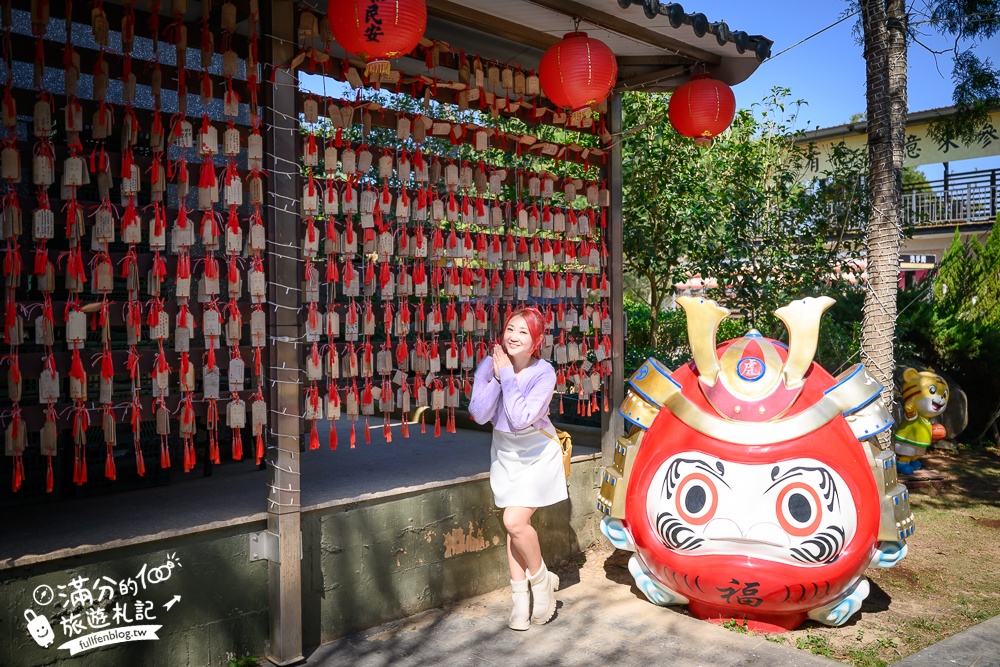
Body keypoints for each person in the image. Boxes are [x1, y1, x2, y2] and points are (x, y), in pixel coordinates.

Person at [468, 306, 566, 631]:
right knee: (514, 527)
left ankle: (541, 586)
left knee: (514, 520)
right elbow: (480, 414)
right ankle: (521, 603)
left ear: (535, 340)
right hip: (506, 453)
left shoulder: (544, 373)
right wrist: (497, 376)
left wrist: (506, 376)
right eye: (511, 328)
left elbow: (522, 417)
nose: (514, 336)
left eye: (523, 332)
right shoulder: (490, 364)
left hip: (537, 451)